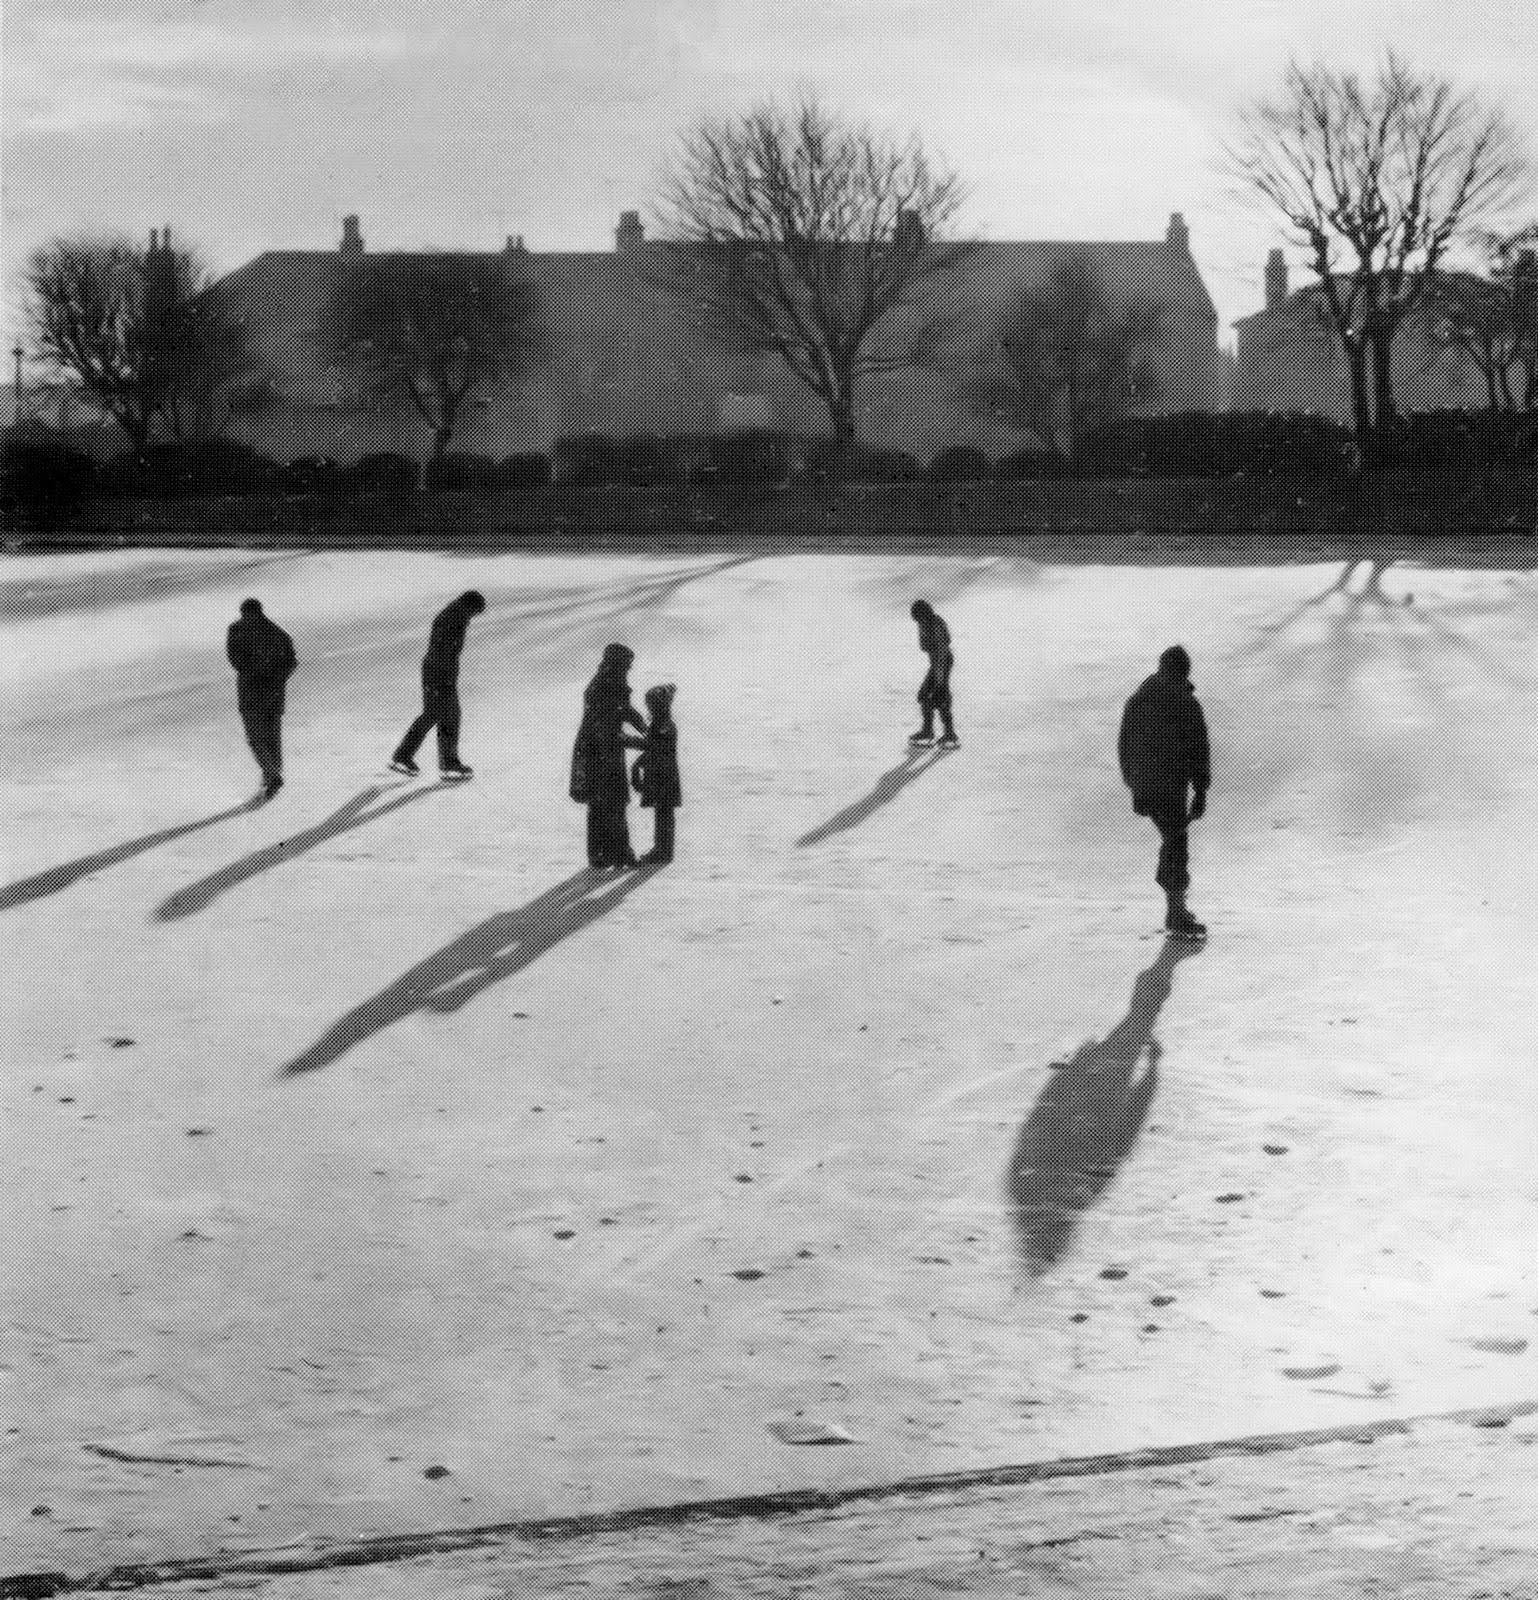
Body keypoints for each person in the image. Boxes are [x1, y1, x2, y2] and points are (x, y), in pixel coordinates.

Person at [1118, 644, 1211, 940]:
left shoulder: (1143, 701)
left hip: (1160, 788)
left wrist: (1136, 787)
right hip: (1163, 788)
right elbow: (1198, 749)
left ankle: (1175, 906)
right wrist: (1200, 791)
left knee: (1175, 842)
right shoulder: (1174, 703)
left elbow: (1126, 749)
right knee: (1176, 843)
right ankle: (1175, 911)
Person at [390, 590, 486, 778]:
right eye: (475, 613)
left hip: (438, 670)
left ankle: (418, 758)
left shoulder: (454, 613)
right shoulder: (454, 617)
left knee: (442, 714)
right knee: (441, 714)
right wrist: (446, 679)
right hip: (439, 672)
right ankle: (436, 761)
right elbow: (444, 650)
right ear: (470, 606)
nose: (473, 617)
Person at [571, 644, 646, 869]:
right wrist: (640, 741)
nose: (629, 670)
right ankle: (619, 854)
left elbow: (625, 710)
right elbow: (607, 731)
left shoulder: (611, 683)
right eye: (627, 666)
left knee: (602, 804)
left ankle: (602, 854)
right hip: (599, 753)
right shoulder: (604, 688)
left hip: (602, 752)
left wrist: (644, 727)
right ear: (618, 665)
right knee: (610, 803)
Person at [226, 598, 297, 800]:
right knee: (272, 736)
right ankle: (272, 772)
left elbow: (235, 659)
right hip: (273, 693)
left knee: (256, 738)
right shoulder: (278, 633)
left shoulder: (236, 630)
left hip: (251, 693)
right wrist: (278, 677)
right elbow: (292, 662)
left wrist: (254, 672)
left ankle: (272, 775)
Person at [633, 683, 681, 864]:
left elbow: (653, 747)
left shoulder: (664, 725)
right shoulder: (662, 723)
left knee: (664, 814)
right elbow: (653, 748)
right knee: (662, 813)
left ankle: (663, 851)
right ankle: (661, 849)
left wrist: (626, 740)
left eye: (651, 704)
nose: (649, 708)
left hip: (664, 777)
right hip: (662, 776)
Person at [909, 600, 958, 747]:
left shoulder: (936, 624)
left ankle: (949, 733)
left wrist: (940, 679)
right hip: (935, 662)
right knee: (924, 695)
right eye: (917, 619)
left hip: (943, 661)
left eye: (919, 618)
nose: (918, 622)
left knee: (940, 694)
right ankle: (928, 731)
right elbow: (925, 646)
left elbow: (942, 650)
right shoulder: (923, 624)